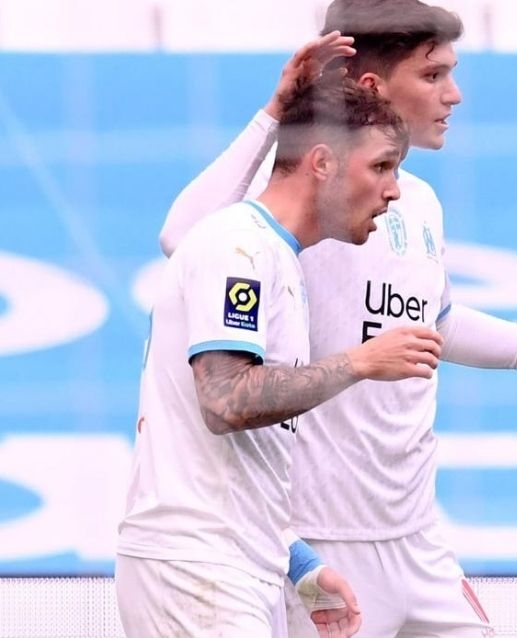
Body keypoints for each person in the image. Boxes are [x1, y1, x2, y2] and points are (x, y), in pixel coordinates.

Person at [157, 2, 517, 636]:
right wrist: (273, 113)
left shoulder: (416, 200)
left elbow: (432, 325)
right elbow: (184, 237)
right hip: (320, 541)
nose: (454, 94)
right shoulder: (303, 188)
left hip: (419, 539)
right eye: (433, 75)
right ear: (371, 86)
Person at [116, 69, 446, 638]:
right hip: (195, 569)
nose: (394, 191)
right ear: (322, 163)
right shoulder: (238, 247)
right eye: (381, 167)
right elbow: (226, 400)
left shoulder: (279, 258)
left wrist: (300, 564)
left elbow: (245, 459)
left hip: (236, 566)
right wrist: (360, 361)